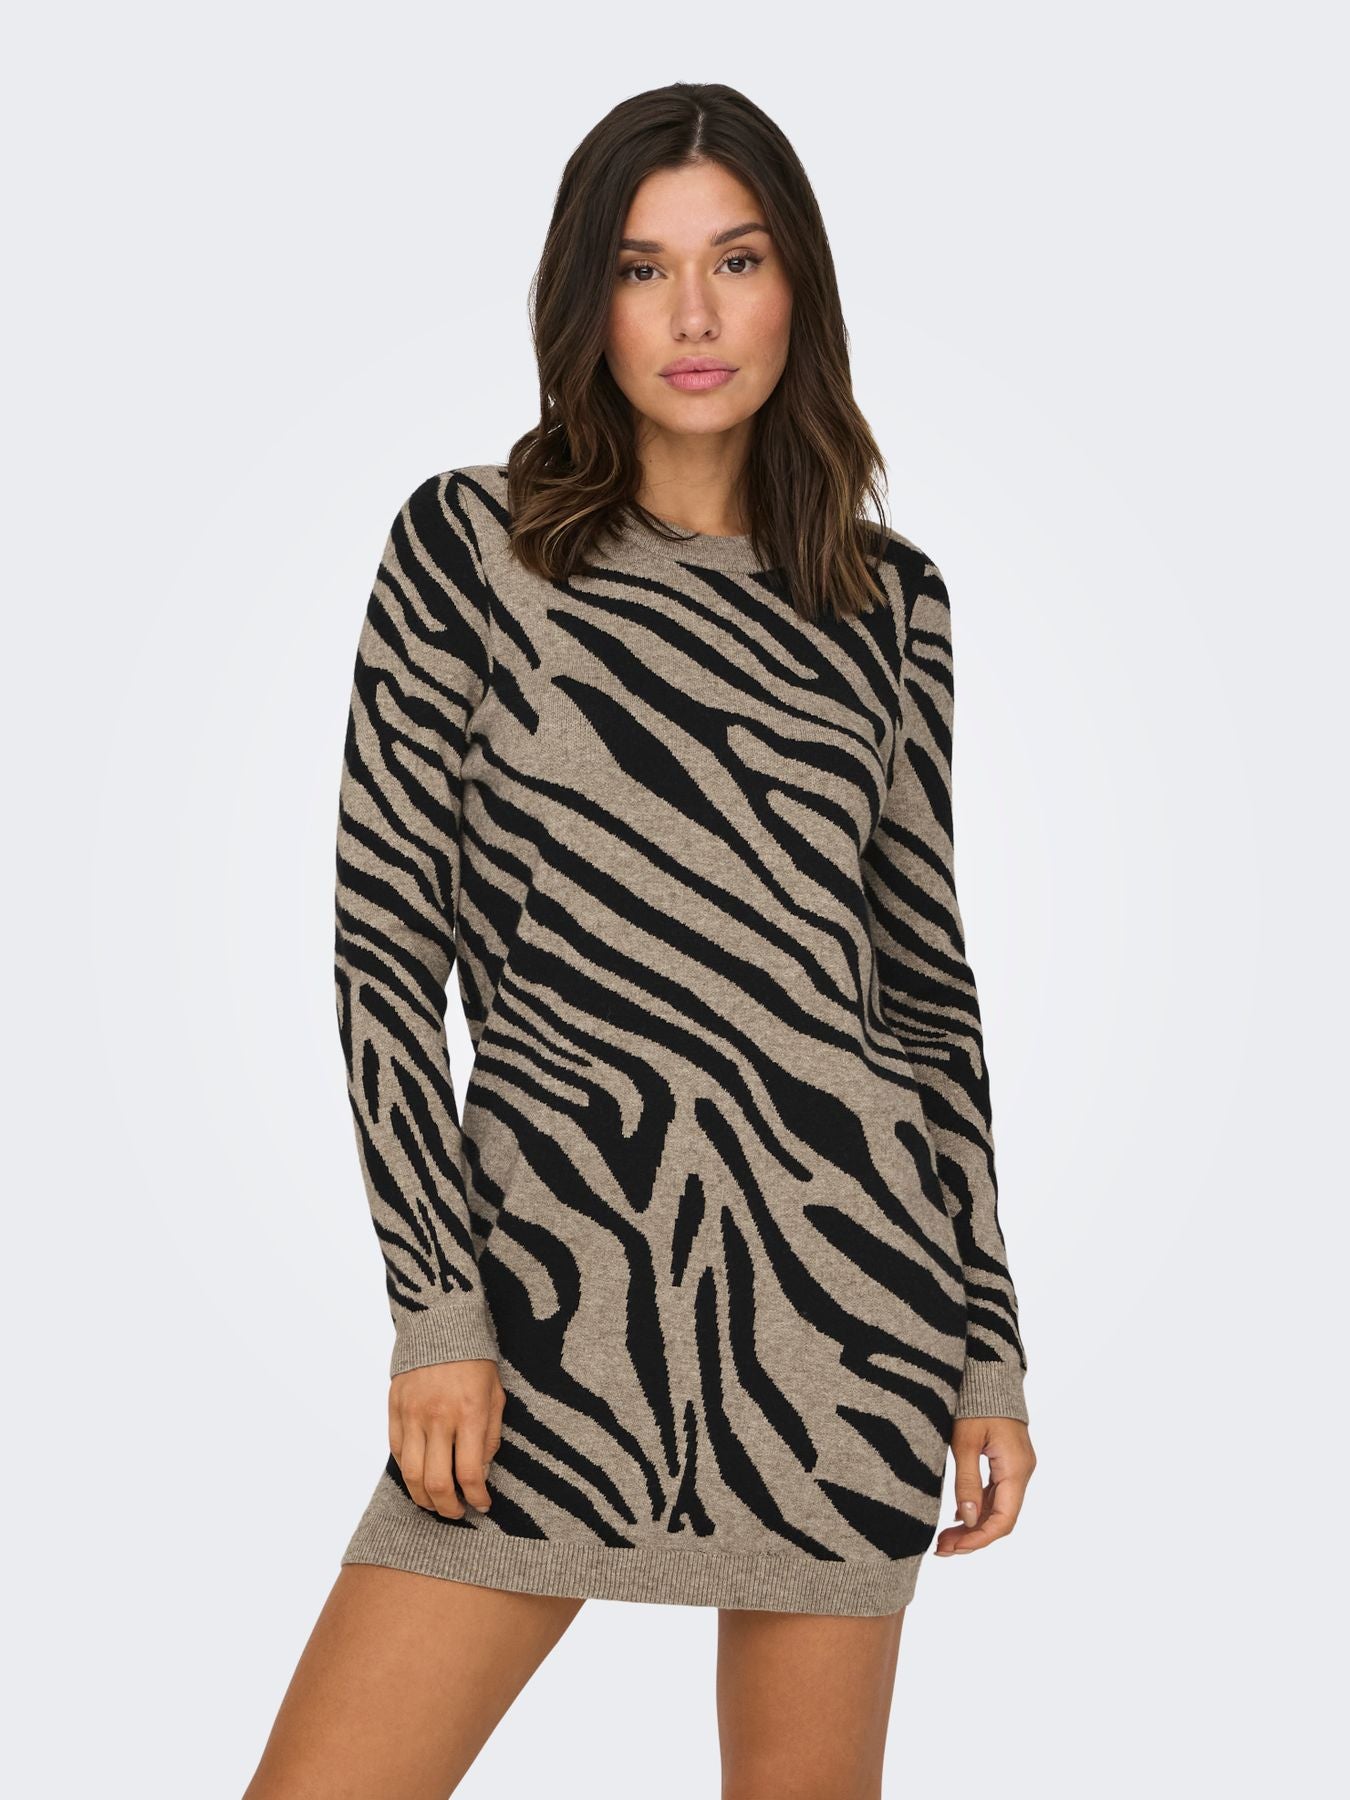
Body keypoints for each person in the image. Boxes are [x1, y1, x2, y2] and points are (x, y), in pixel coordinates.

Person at [245, 80, 1036, 1800]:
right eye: (640, 266)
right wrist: (437, 1311)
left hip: (844, 1317)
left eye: (735, 261)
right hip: (541, 1310)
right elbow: (383, 953)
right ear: (582, 300)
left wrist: (986, 1345)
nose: (691, 314)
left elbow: (923, 993)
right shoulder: (469, 544)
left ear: (795, 286)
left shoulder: (886, 604)